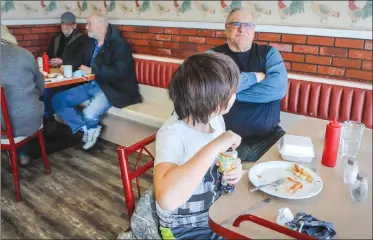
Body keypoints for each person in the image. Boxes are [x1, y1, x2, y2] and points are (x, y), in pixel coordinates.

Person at [154, 52, 243, 239]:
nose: (234, 95)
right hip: (184, 228)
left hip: (214, 213)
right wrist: (215, 146)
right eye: (231, 92)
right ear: (211, 101)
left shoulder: (216, 120)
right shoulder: (172, 134)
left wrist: (233, 168)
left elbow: (217, 162)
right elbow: (166, 200)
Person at [51, 13, 141, 150]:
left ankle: (90, 127)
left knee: (89, 114)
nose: (86, 27)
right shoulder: (90, 42)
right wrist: (67, 65)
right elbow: (78, 59)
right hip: (92, 84)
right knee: (57, 99)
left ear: (101, 25)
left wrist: (92, 70)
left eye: (89, 24)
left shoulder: (119, 45)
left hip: (112, 88)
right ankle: (88, 129)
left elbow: (119, 73)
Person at [210, 7, 288, 162]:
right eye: (236, 24)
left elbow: (277, 89)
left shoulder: (268, 53)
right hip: (228, 139)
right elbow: (209, 90)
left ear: (253, 30)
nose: (242, 29)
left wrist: (228, 92)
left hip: (270, 137)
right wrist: (254, 77)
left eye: (247, 25)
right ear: (226, 29)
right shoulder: (212, 57)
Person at [1, 24, 45, 165]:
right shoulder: (24, 53)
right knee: (21, 108)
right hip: (27, 121)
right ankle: (21, 153)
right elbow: (41, 86)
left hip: (3, 126)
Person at [44, 11, 90, 130]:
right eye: (63, 24)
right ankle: (48, 118)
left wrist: (62, 61)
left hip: (73, 77)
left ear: (74, 25)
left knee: (49, 91)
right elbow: (48, 55)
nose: (64, 27)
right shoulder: (56, 38)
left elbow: (81, 60)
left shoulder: (83, 39)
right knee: (43, 89)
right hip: (55, 74)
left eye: (68, 24)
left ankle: (49, 119)